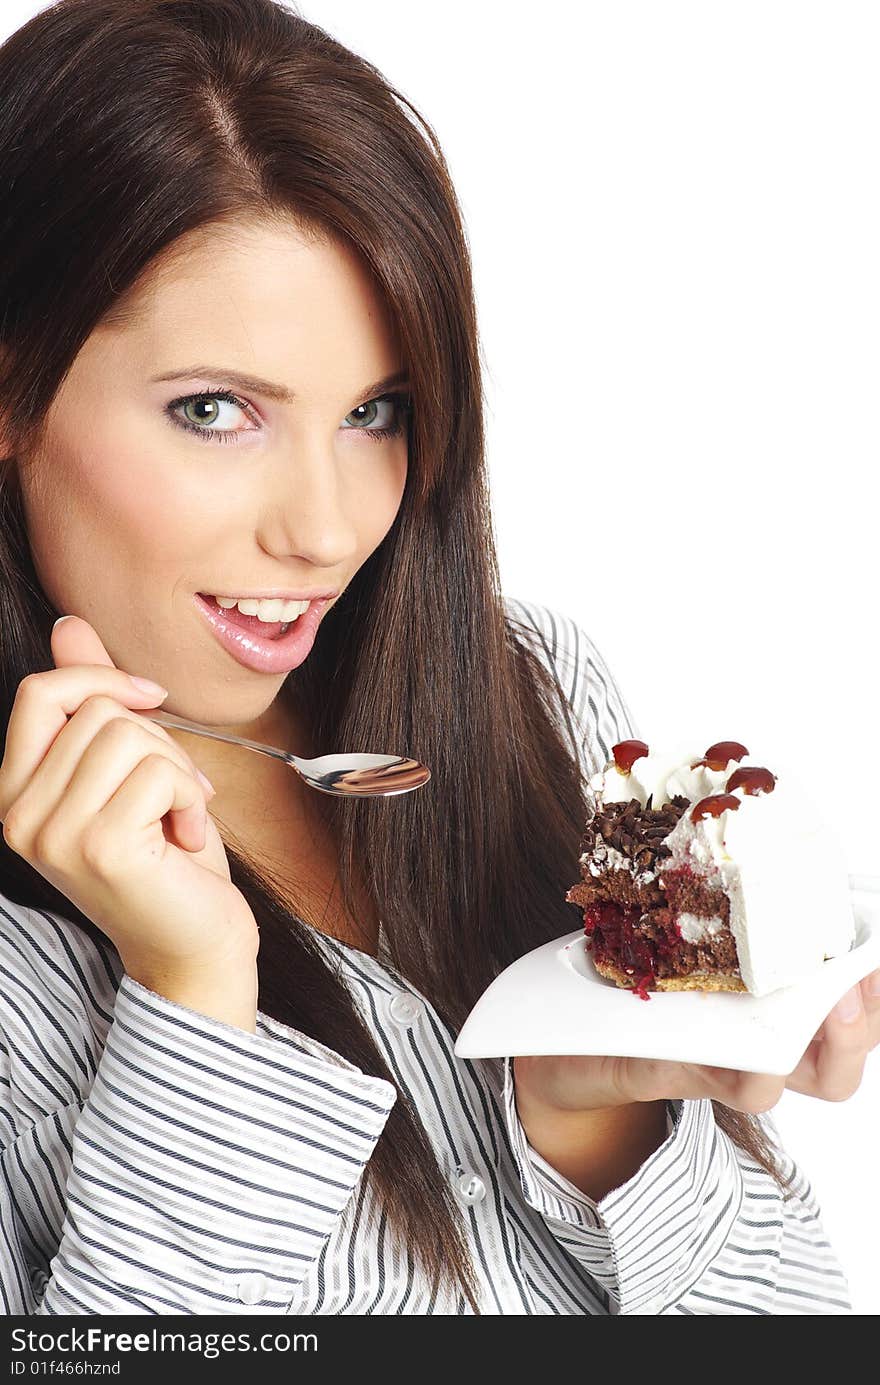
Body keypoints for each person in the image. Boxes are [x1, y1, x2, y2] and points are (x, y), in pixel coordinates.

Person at [0, 0, 875, 1317]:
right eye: (214, 409)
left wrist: (595, 1119)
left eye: (376, 412)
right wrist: (192, 999)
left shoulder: (536, 697)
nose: (328, 526)